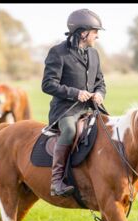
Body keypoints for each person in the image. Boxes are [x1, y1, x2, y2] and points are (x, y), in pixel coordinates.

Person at [42, 9, 109, 197]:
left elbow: (100, 82)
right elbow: (48, 84)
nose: (97, 36)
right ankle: (56, 182)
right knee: (70, 130)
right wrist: (75, 93)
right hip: (66, 110)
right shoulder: (58, 53)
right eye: (95, 31)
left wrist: (99, 93)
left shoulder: (94, 54)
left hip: (91, 108)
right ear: (82, 32)